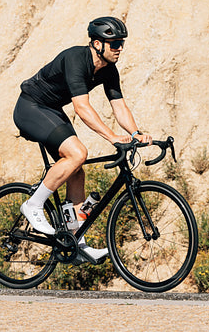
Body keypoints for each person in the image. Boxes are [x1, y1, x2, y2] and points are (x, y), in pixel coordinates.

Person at [13, 16, 152, 262]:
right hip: (31, 107)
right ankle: (33, 205)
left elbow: (119, 106)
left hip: (51, 110)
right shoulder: (76, 59)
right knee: (78, 154)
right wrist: (112, 137)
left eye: (122, 43)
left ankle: (76, 242)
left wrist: (135, 133)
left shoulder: (109, 70)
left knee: (77, 171)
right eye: (115, 43)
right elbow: (81, 107)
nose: (119, 48)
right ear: (98, 44)